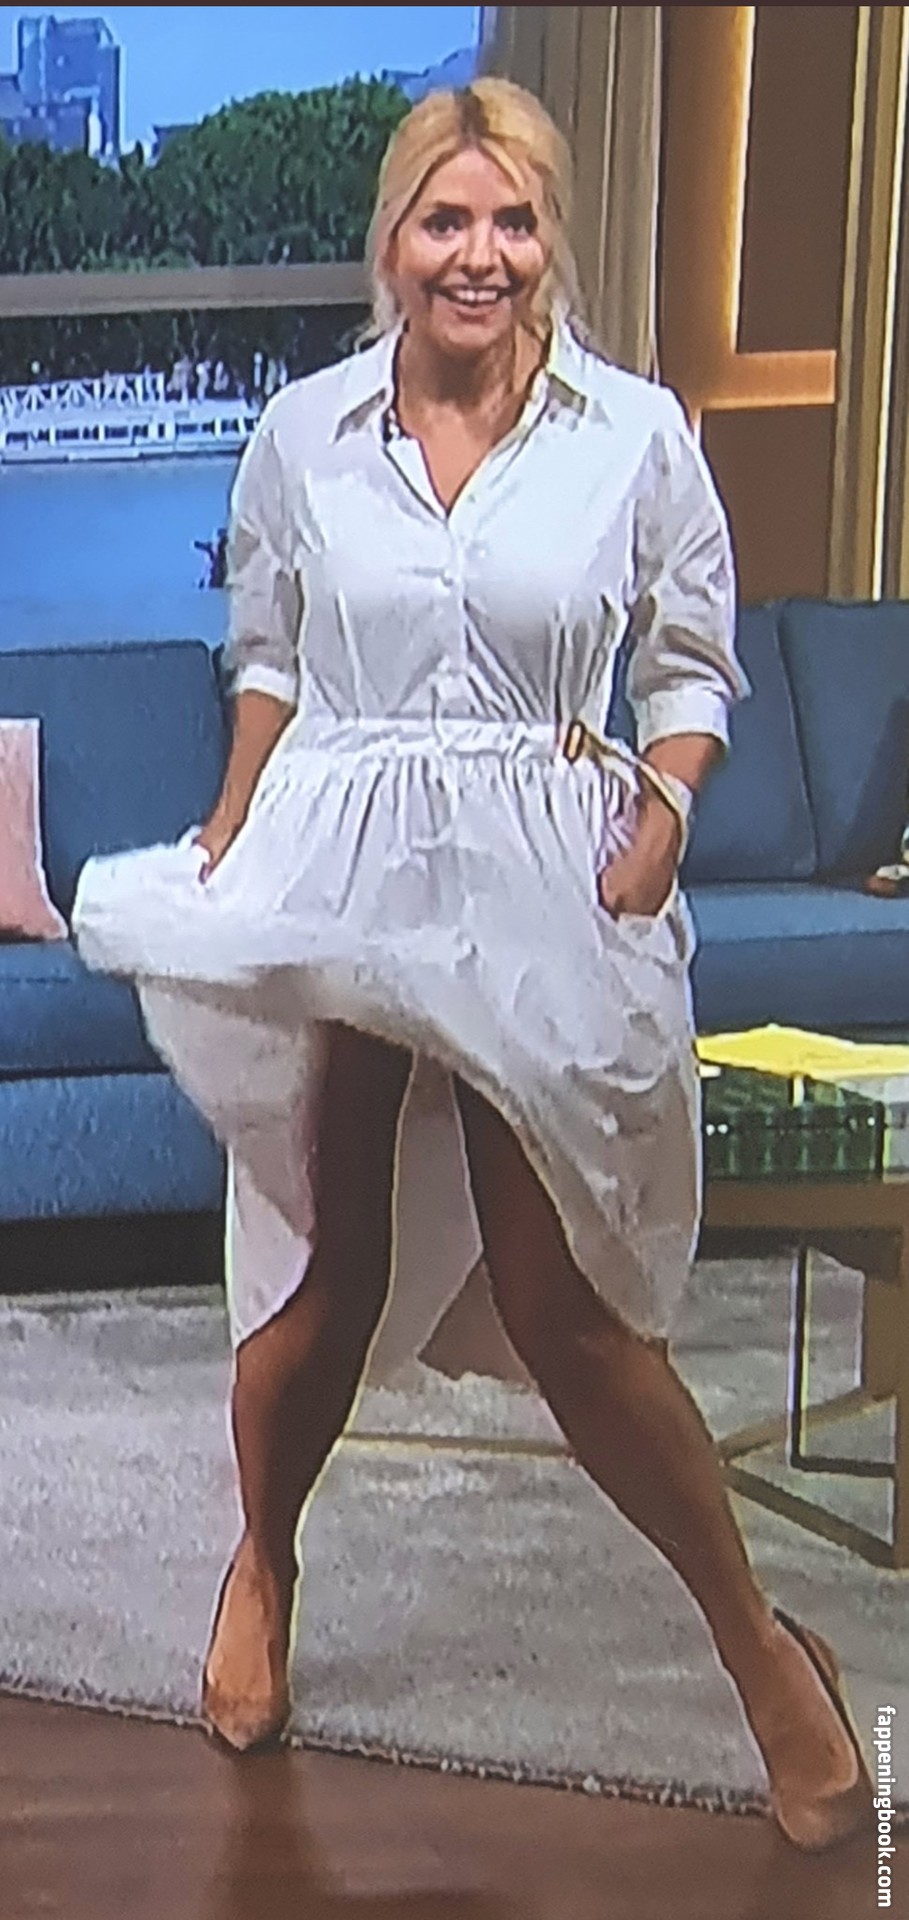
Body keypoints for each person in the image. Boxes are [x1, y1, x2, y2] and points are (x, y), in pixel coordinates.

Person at [71, 79, 873, 1852]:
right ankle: (264, 1564)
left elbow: (689, 665)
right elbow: (269, 654)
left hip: (540, 880)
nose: (479, 255)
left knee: (561, 1303)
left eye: (511, 221)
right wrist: (231, 821)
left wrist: (664, 812)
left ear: (548, 238)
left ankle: (763, 1656)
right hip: (349, 868)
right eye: (447, 220)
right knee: (328, 1271)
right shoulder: (305, 431)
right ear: (395, 239)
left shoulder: (634, 433)